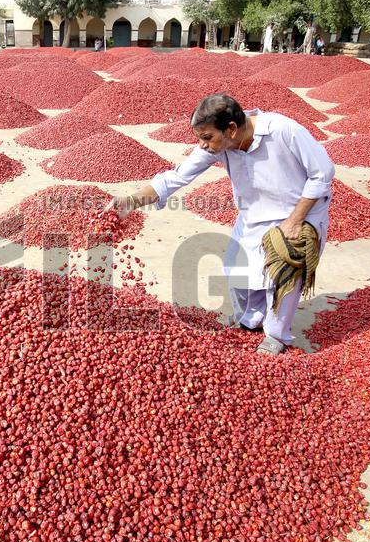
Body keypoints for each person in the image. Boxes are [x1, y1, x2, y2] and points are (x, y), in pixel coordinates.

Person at [104, 94, 335, 356]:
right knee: (236, 266)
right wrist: (131, 201)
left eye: (206, 137)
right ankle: (251, 321)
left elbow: (322, 173)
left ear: (232, 129)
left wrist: (295, 221)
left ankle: (276, 335)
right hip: (254, 213)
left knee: (283, 272)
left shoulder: (283, 130)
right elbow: (178, 176)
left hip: (299, 212)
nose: (202, 144)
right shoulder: (220, 144)